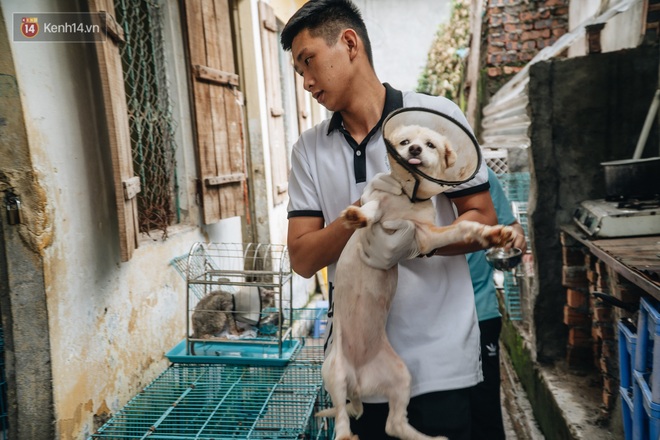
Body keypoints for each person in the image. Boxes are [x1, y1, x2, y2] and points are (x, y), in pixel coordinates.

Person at [280, 1, 518, 438]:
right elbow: (302, 256)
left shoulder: (432, 119)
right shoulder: (309, 150)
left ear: (349, 42)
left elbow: (481, 215)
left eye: (309, 61)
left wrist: (418, 242)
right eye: (299, 72)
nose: (307, 81)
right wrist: (357, 226)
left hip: (442, 360)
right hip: (361, 366)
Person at [467, 167, 527, 440]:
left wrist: (515, 236)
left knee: (484, 410)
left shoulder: (477, 173)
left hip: (479, 312)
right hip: (420, 321)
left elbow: (508, 225)